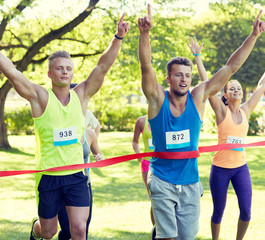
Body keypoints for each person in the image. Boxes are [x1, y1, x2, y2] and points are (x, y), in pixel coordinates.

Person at [137, 4, 265, 239]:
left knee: (187, 236)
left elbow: (230, 66)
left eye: (187, 75)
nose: (184, 79)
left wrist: (253, 36)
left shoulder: (198, 98)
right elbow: (146, 67)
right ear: (168, 78)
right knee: (168, 236)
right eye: (178, 75)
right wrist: (144, 34)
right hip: (162, 180)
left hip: (190, 182)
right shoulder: (157, 99)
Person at [0, 13, 129, 240]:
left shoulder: (81, 95)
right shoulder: (39, 97)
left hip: (76, 176)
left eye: (68, 68)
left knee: (79, 229)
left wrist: (118, 36)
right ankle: (36, 228)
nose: (65, 71)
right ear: (50, 73)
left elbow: (102, 67)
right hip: (48, 176)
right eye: (59, 68)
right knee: (49, 232)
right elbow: (11, 71)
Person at [207, 47, 265, 240]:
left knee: (246, 211)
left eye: (238, 88)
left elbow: (261, 87)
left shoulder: (246, 110)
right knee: (218, 212)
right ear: (226, 95)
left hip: (240, 168)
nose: (236, 90)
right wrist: (197, 58)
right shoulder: (221, 111)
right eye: (232, 88)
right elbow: (208, 87)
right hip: (220, 168)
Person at [58, 128, 105, 240]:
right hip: (63, 184)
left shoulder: (89, 134)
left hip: (83, 185)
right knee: (67, 228)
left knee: (83, 228)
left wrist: (100, 157)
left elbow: (98, 153)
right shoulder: (62, 131)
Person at [132, 115, 155, 229]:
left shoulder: (165, 117)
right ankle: (156, 230)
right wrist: (138, 154)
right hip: (147, 164)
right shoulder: (141, 121)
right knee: (153, 199)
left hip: (163, 163)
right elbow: (135, 141)